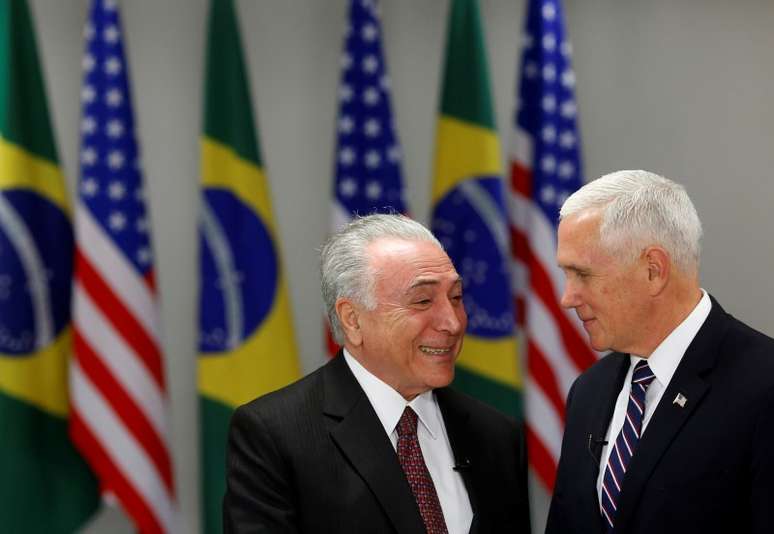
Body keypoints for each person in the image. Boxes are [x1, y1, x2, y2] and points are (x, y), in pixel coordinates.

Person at [223, 214, 530, 534]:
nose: (452, 323)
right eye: (423, 301)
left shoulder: (496, 435)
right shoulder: (275, 435)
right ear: (352, 320)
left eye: (455, 298)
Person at [545, 170, 774, 534]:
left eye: (582, 275)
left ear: (653, 270)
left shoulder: (763, 386)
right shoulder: (588, 391)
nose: (566, 298)